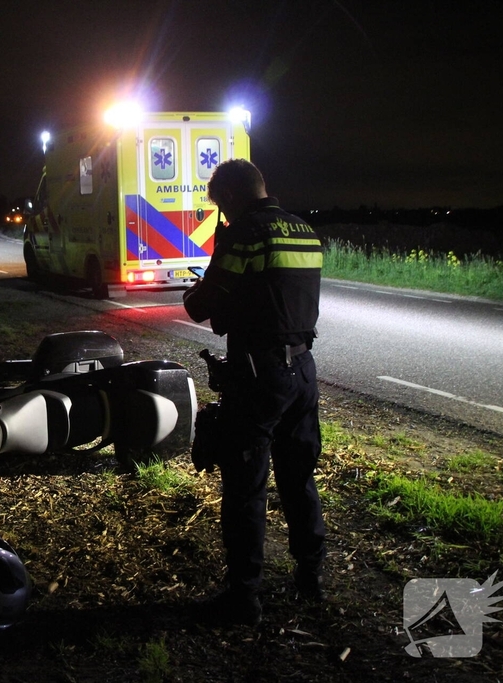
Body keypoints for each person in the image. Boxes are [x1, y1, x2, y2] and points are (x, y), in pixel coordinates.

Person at [183, 159, 326, 627]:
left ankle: (244, 597)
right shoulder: (305, 231)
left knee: (246, 486)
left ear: (231, 196)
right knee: (299, 477)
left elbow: (202, 306)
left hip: (260, 374)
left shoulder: (244, 233)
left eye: (220, 204)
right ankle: (312, 577)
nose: (221, 215)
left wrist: (199, 290)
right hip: (304, 369)